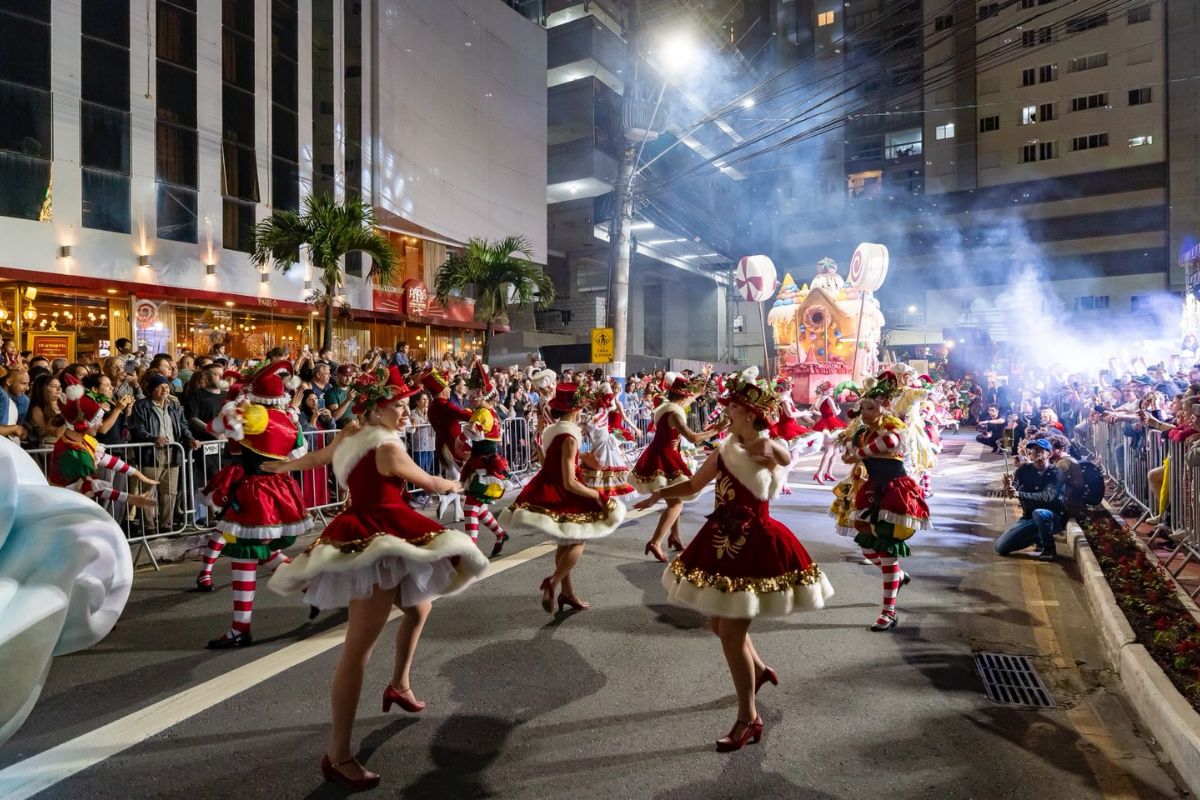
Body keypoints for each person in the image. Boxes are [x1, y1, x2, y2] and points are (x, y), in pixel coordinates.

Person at [265, 368, 488, 790]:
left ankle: (399, 685)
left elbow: (317, 459)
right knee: (357, 651)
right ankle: (338, 755)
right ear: (374, 410)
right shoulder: (387, 447)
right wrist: (457, 484)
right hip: (376, 542)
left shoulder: (352, 434)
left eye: (406, 405)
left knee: (419, 607)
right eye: (398, 406)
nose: (407, 412)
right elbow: (431, 482)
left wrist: (281, 466)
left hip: (372, 531)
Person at [637, 369, 833, 751]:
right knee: (718, 624)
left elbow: (783, 455)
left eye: (732, 406)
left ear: (750, 413)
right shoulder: (725, 449)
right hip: (720, 538)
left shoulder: (764, 445)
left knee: (730, 632)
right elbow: (694, 485)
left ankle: (748, 718)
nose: (725, 410)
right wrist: (659, 494)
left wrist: (772, 452)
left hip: (755, 543)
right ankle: (758, 670)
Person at [195, 361, 313, 647]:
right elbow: (298, 453)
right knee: (261, 552)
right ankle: (314, 589)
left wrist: (233, 403)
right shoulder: (288, 421)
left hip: (253, 492)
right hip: (279, 489)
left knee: (244, 555)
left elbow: (213, 427)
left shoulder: (248, 416)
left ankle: (240, 628)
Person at [501, 382, 627, 612]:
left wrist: (582, 461)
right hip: (565, 493)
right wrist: (597, 496)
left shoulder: (554, 433)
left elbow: (548, 465)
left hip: (550, 487)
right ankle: (553, 581)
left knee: (564, 541)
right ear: (576, 409)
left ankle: (567, 593)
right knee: (580, 539)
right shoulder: (569, 437)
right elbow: (569, 481)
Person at [842, 372, 930, 631]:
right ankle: (897, 576)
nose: (864, 413)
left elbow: (890, 442)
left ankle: (888, 612)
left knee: (888, 551)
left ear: (884, 406)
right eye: (863, 408)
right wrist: (850, 453)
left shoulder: (893, 424)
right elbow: (852, 454)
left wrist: (859, 452)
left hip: (895, 491)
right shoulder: (863, 432)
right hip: (872, 489)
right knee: (868, 547)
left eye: (870, 408)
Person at [632, 375, 717, 561]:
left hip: (663, 454)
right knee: (676, 504)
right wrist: (716, 430)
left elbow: (692, 398)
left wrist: (701, 385)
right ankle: (655, 542)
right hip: (664, 457)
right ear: (683, 397)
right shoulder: (675, 414)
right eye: (688, 397)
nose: (690, 400)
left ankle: (675, 536)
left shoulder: (666, 409)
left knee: (674, 497)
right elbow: (693, 438)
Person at [48, 382, 159, 512]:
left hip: (74, 501)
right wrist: (130, 498)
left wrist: (138, 474)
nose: (101, 424)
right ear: (83, 424)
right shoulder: (73, 453)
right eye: (97, 420)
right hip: (66, 506)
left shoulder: (80, 440)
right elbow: (96, 488)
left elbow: (106, 459)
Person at [129, 374, 198, 530]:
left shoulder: (174, 405)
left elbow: (183, 425)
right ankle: (148, 526)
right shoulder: (141, 405)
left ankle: (166, 524)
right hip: (151, 453)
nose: (165, 390)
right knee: (148, 489)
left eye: (166, 387)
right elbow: (137, 428)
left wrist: (190, 439)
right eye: (160, 387)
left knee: (170, 491)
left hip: (173, 451)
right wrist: (153, 437)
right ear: (152, 389)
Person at [994, 439, 1064, 561]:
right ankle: (1037, 537)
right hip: (1028, 518)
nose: (1035, 453)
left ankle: (1049, 549)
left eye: (1039, 450)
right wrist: (1008, 486)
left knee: (1040, 513)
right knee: (1000, 547)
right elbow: (1014, 487)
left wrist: (1019, 494)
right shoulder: (1024, 469)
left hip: (1052, 517)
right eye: (1033, 450)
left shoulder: (1056, 473)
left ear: (1049, 454)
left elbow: (1047, 496)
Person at [420, 367, 472, 522]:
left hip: (441, 444)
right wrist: (481, 411)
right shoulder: (445, 405)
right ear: (442, 391)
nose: (449, 390)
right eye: (447, 388)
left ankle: (457, 512)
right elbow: (464, 415)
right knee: (466, 476)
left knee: (453, 478)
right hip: (453, 444)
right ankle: (447, 498)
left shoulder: (432, 407)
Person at [581, 381, 635, 498]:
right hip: (600, 443)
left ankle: (604, 497)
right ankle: (602, 497)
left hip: (604, 443)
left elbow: (592, 422)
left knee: (604, 468)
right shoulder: (597, 412)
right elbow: (589, 424)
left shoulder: (601, 412)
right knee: (600, 469)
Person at [810, 380, 848, 484]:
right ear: (825, 390)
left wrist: (823, 414)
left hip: (824, 423)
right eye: (830, 389)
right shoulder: (829, 399)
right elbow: (836, 412)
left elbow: (812, 410)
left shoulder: (818, 399)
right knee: (830, 450)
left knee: (836, 450)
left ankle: (829, 473)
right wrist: (839, 410)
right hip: (831, 424)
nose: (832, 391)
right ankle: (819, 473)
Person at [28, 372, 65, 447]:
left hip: (67, 444)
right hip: (50, 446)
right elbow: (55, 433)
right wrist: (70, 420)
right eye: (54, 386)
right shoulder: (37, 409)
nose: (59, 389)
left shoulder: (63, 403)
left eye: (59, 386)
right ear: (42, 389)